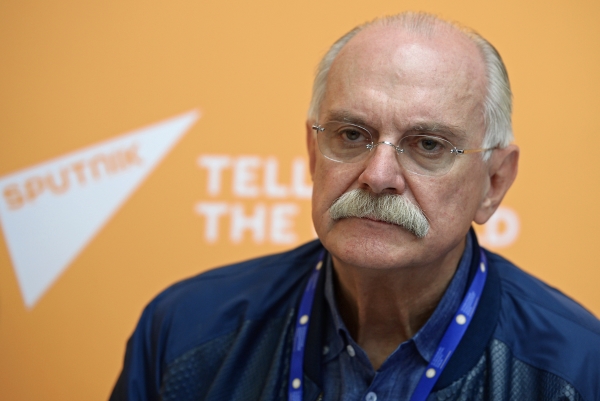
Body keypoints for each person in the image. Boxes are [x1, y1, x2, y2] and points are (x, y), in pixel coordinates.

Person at [110, 12, 600, 401]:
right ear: (312, 153)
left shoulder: (576, 369)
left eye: (428, 145)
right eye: (350, 135)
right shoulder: (185, 332)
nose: (378, 176)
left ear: (494, 182)